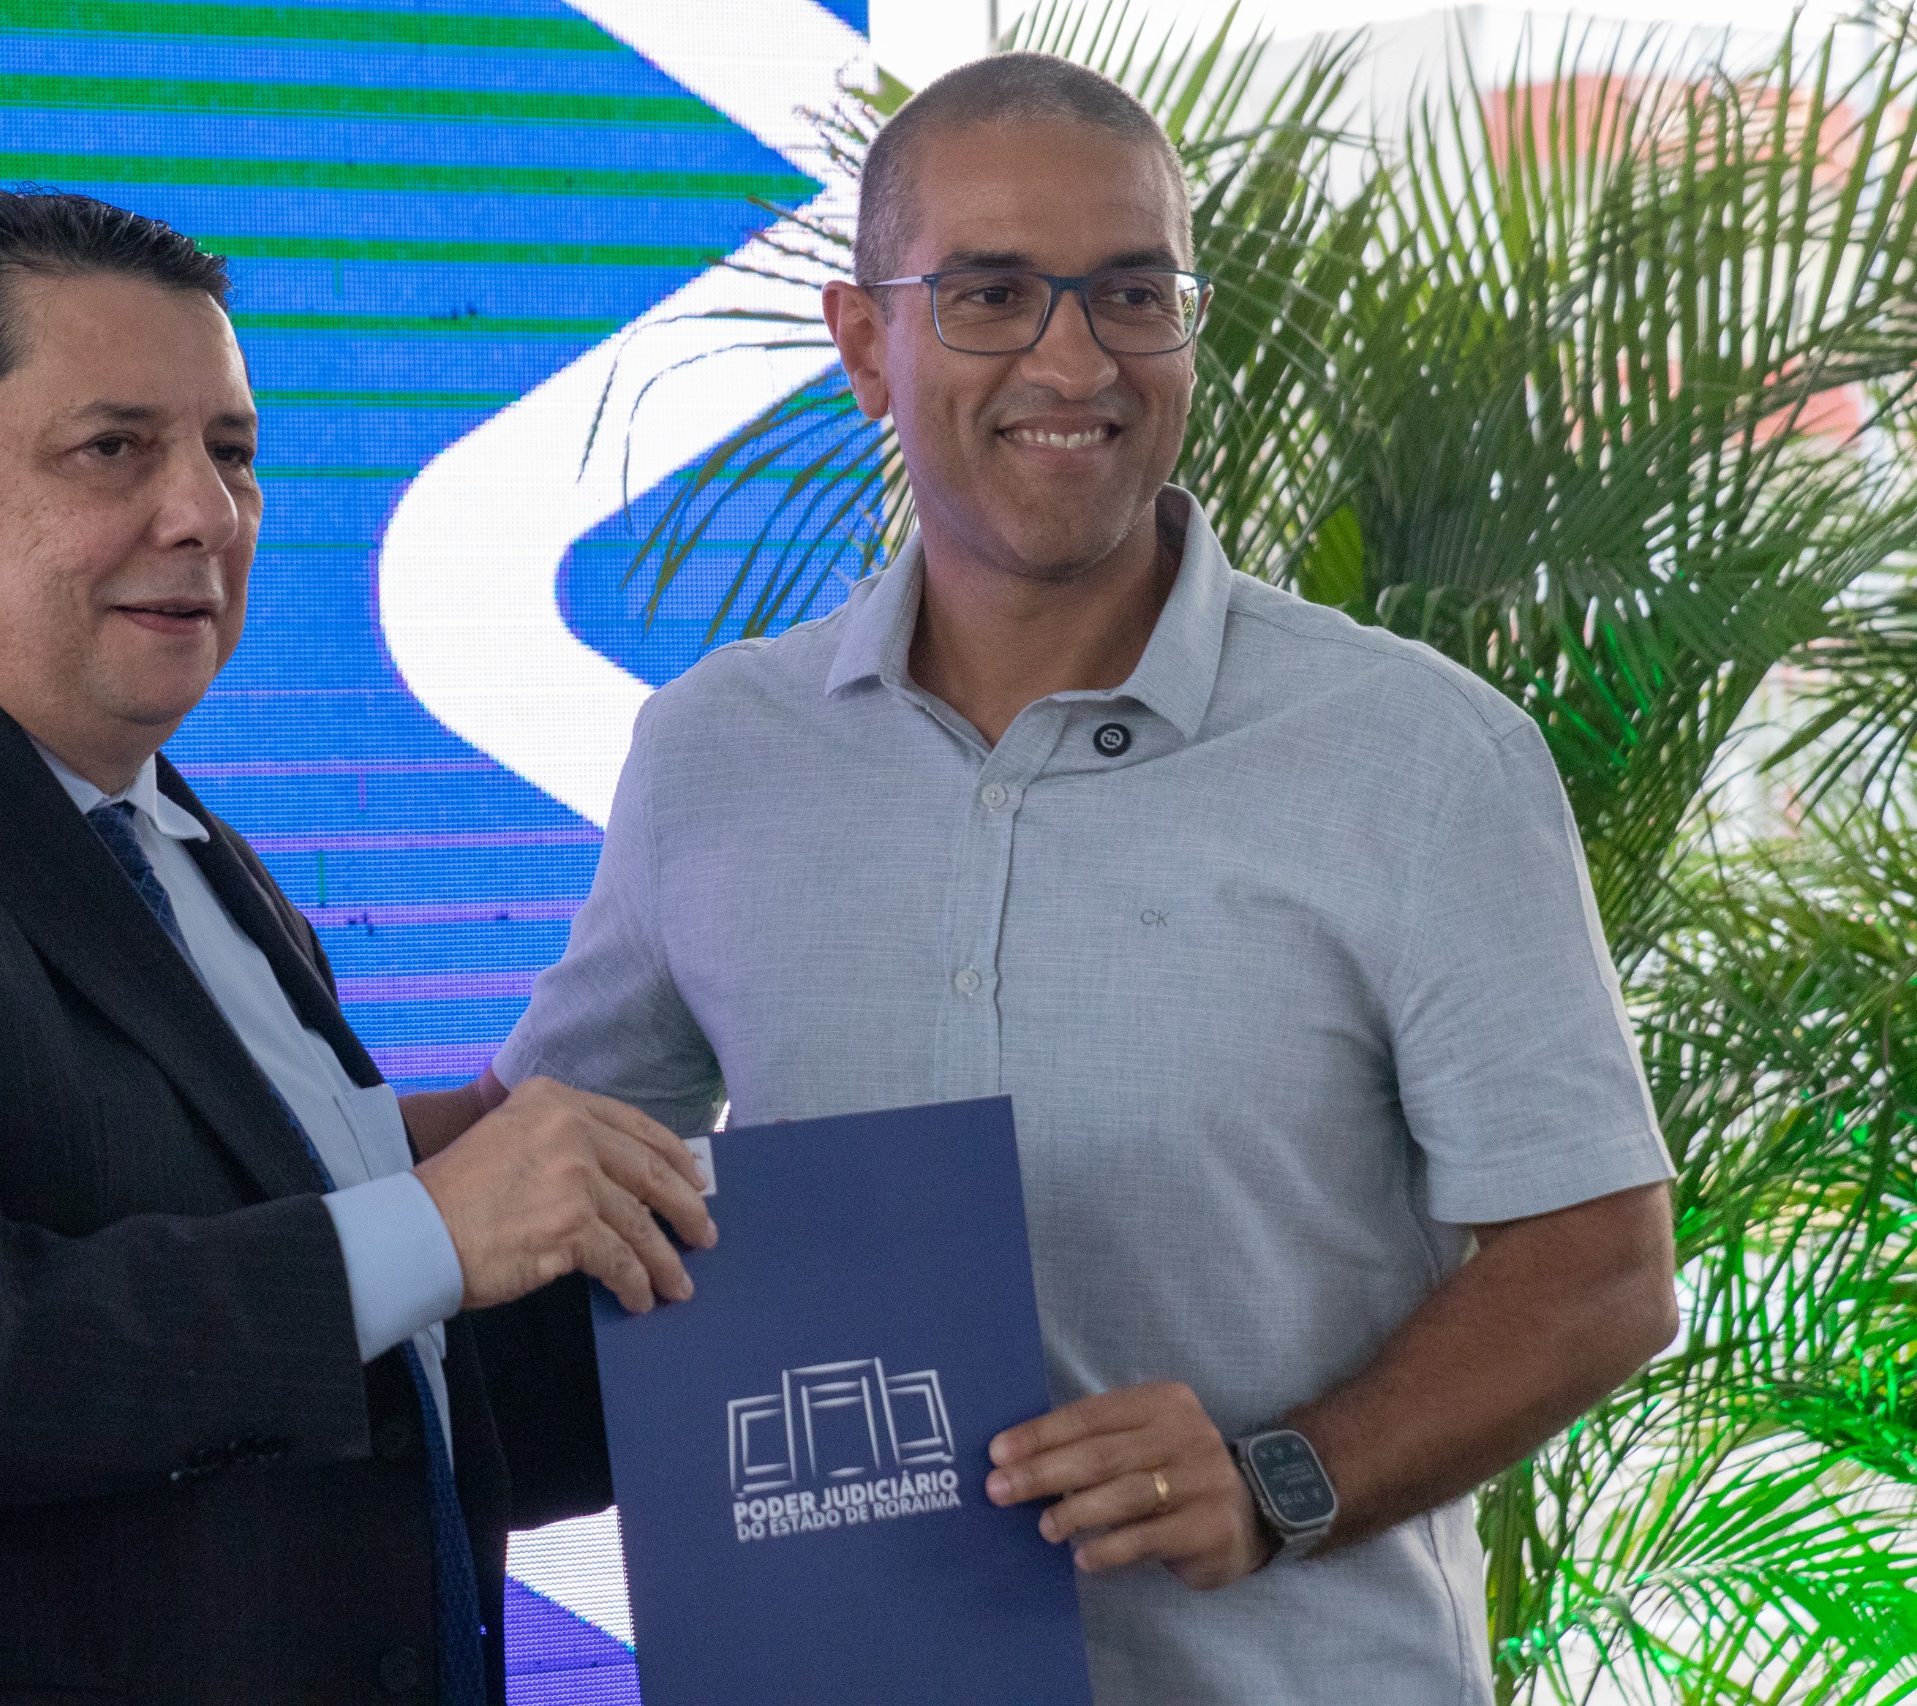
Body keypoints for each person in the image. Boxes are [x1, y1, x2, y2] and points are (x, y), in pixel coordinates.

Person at [403, 53, 1680, 1705]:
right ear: (866, 344)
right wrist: (187, 1156)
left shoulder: (1424, 757)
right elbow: (536, 1137)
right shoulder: (715, 748)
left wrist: (1280, 1479)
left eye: (1132, 294)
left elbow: (1599, 1268)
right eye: (992, 293)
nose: (1074, 359)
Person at [0, 188, 713, 1706]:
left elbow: (377, 1397)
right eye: (114, 449)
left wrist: (809, 1299)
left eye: (232, 452)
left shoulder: (195, 859)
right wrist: (431, 1227)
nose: (206, 513)